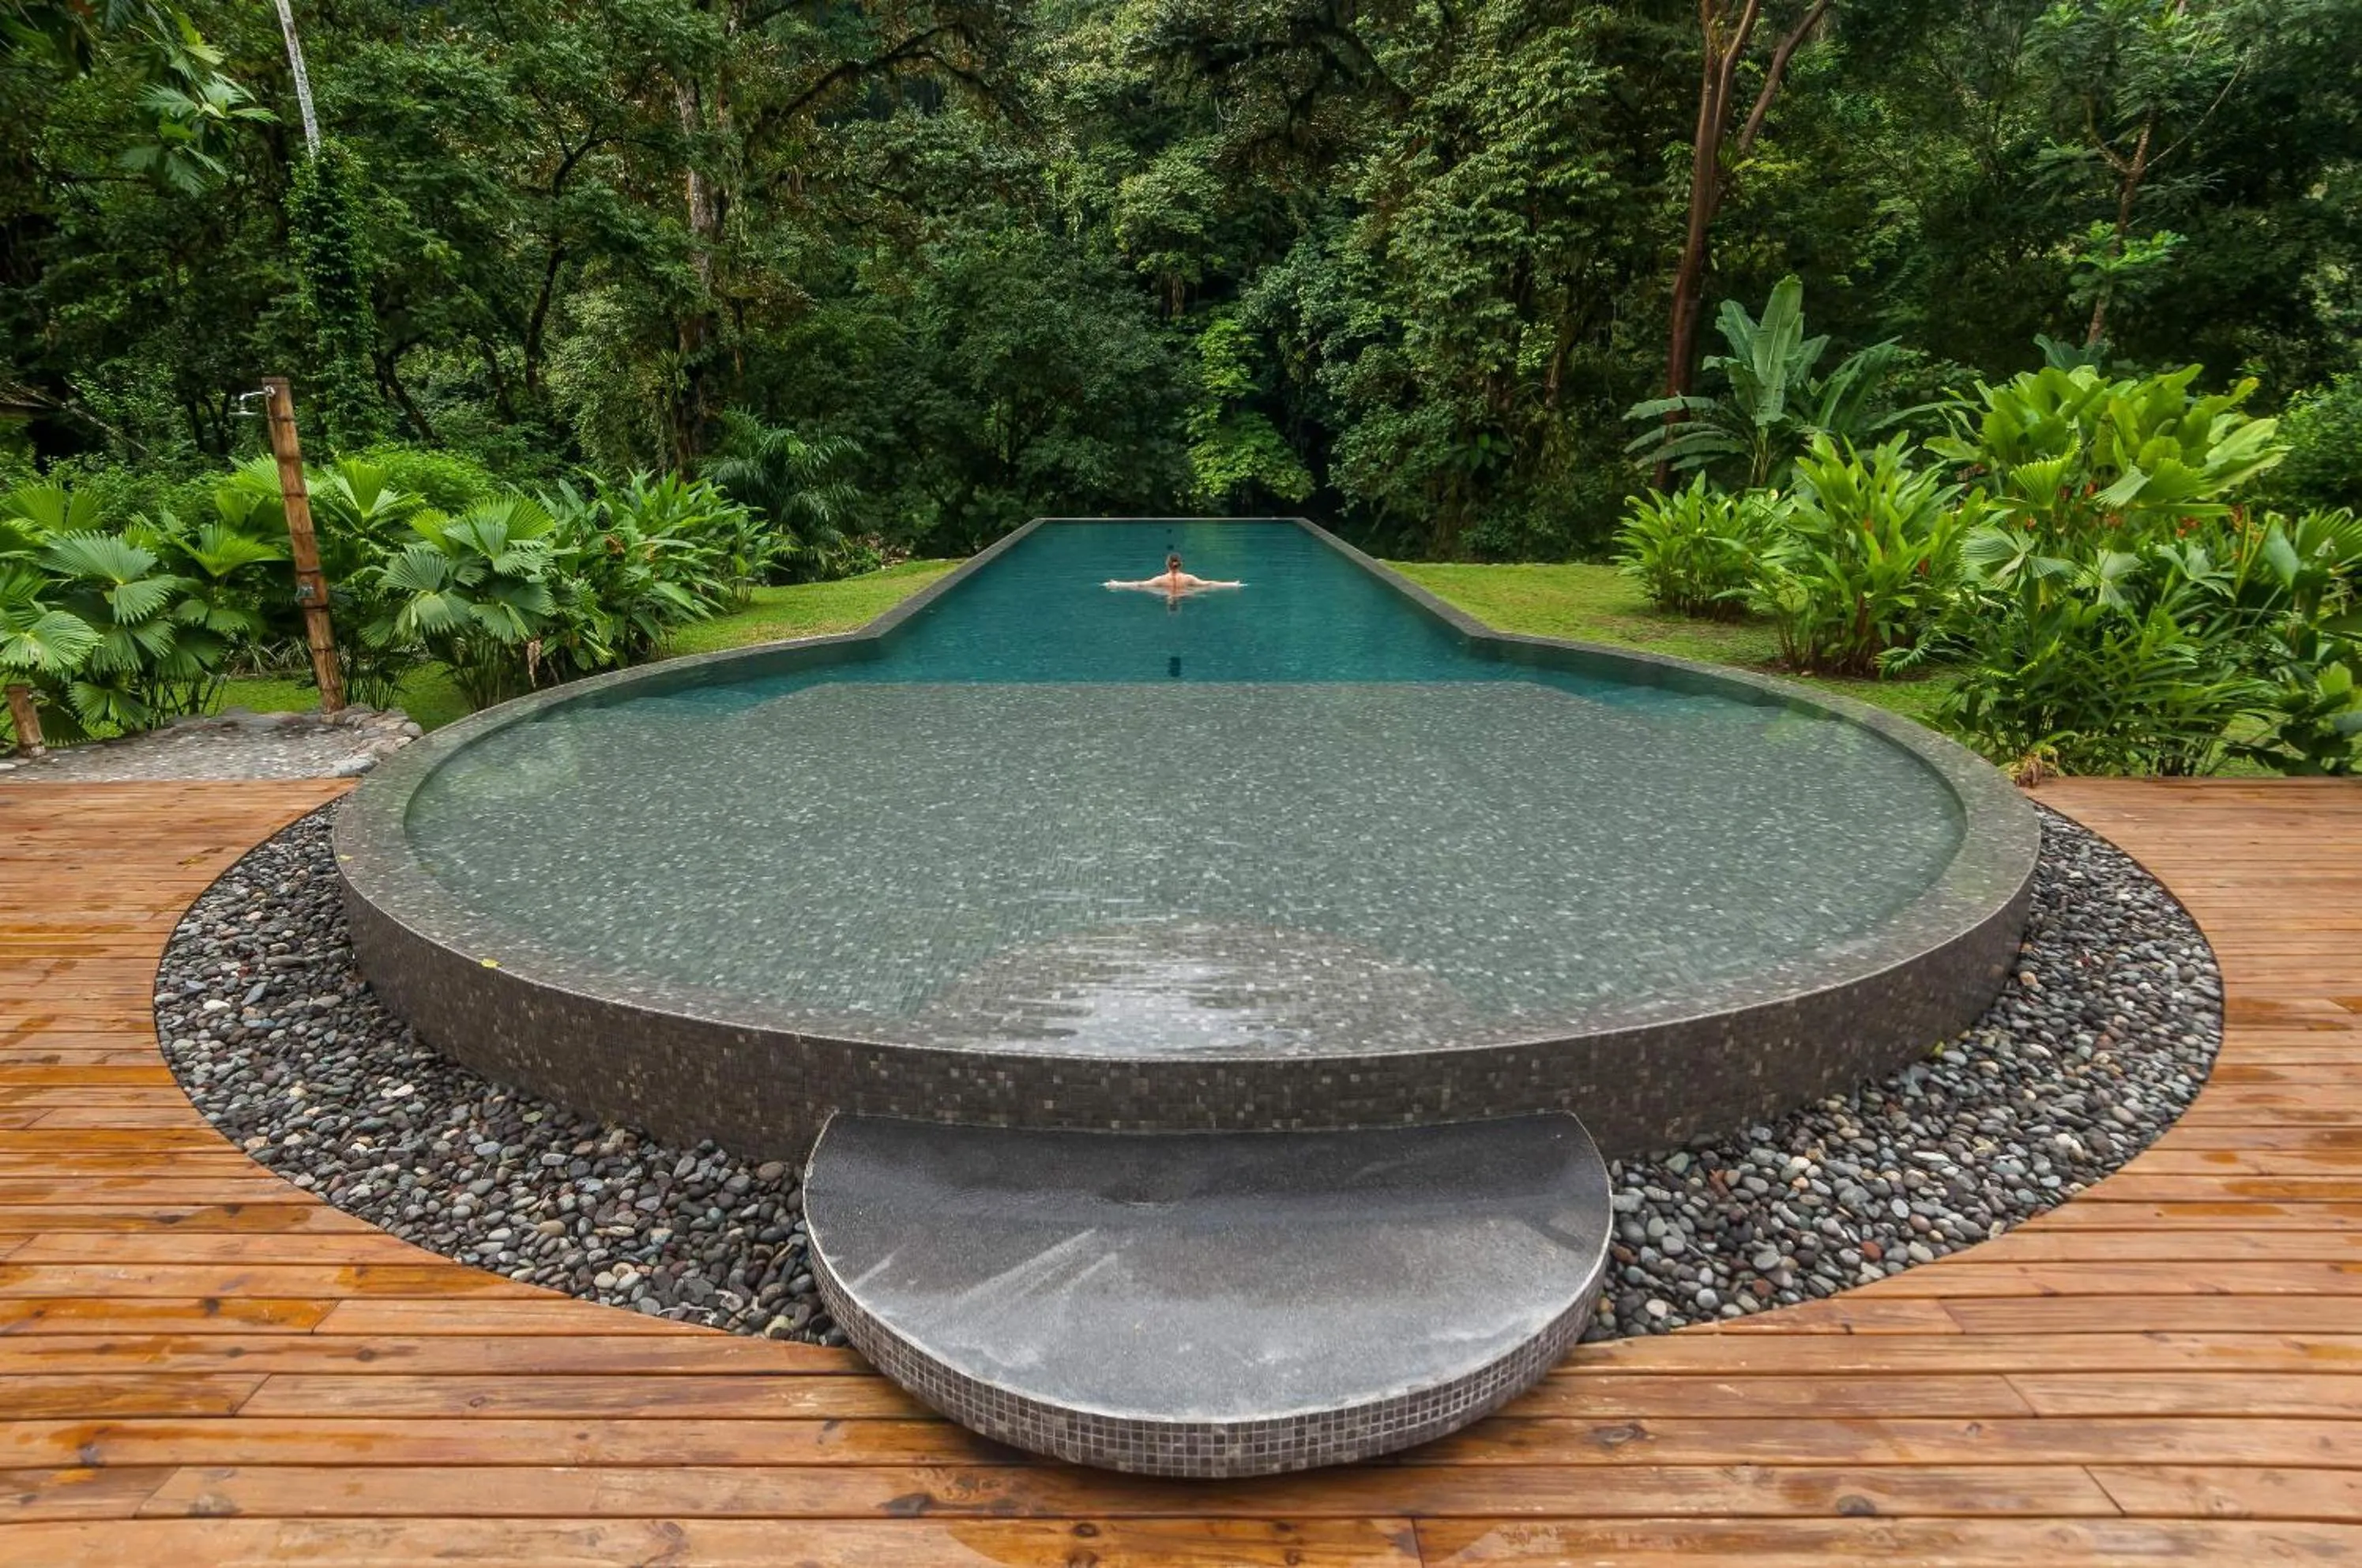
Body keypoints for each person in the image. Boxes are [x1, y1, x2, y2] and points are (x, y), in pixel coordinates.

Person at [1104, 553, 1243, 596]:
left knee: (1164, 595)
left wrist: (1117, 584)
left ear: (1167, 564)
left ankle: (1171, 601)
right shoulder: (1189, 578)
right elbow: (1210, 583)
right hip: (1185, 594)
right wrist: (1232, 584)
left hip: (1165, 593)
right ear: (1180, 564)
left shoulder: (1160, 580)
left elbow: (1139, 585)